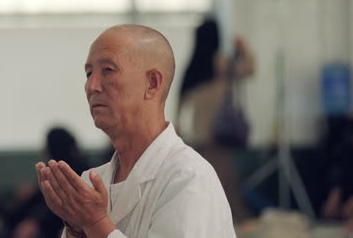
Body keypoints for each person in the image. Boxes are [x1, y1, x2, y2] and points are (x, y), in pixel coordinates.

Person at [35, 24, 236, 237]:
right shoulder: (91, 184)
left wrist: (95, 223)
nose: (91, 85)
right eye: (88, 73)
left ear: (152, 83)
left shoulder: (189, 178)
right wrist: (76, 229)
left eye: (108, 70)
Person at [175, 18, 257, 228]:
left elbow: (180, 99)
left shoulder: (193, 64)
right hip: (216, 135)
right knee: (226, 184)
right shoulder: (220, 63)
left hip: (195, 135)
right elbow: (248, 69)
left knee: (201, 184)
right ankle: (238, 223)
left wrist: (177, 127)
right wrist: (243, 48)